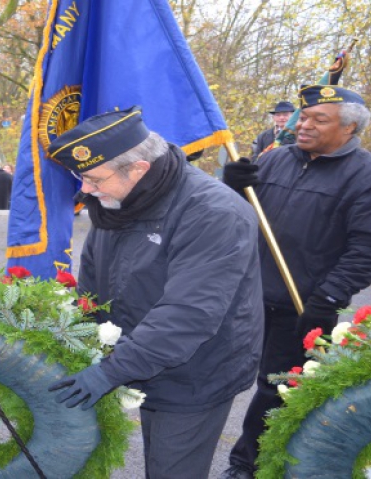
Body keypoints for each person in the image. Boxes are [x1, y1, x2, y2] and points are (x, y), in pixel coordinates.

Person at [45, 107, 263, 479]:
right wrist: (75, 339)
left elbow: (188, 315)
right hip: (135, 355)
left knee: (171, 468)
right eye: (81, 177)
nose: (85, 189)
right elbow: (93, 287)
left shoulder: (213, 212)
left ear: (139, 168)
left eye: (94, 178)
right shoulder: (115, 201)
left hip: (195, 371)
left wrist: (109, 372)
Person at [219, 86, 371, 479]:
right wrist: (230, 187)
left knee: (277, 392)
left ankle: (246, 466)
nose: (303, 125)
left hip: (302, 305)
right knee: (212, 374)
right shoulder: (274, 161)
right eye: (304, 117)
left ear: (350, 127)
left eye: (319, 119)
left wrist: (330, 295)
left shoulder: (363, 175)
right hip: (243, 297)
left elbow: (365, 248)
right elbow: (228, 218)